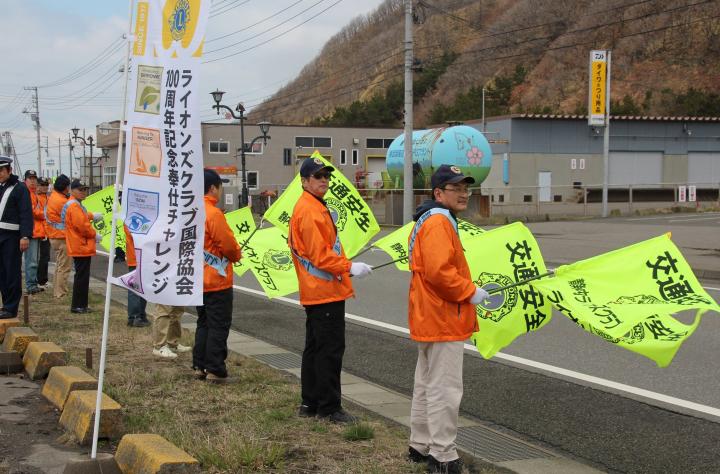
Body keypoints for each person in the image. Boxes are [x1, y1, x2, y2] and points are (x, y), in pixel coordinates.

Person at [406, 164, 489, 473]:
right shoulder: (440, 222)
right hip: (444, 315)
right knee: (445, 388)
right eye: (456, 188)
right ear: (438, 192)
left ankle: (420, 444)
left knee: (426, 384)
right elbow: (441, 272)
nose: (464, 193)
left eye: (466, 188)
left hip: (429, 314)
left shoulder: (426, 218)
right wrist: (469, 292)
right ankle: (443, 455)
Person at [288, 157, 373, 423]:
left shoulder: (310, 206)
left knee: (315, 348)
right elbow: (320, 256)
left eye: (326, 176)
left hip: (318, 290)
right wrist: (349, 267)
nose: (324, 180)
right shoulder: (311, 211)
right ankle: (329, 407)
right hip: (325, 290)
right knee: (329, 350)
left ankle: (310, 402)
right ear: (304, 181)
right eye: (317, 176)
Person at [192, 169, 241, 382]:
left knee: (203, 323)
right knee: (218, 325)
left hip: (196, 278)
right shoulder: (212, 213)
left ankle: (199, 365)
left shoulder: (190, 211)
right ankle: (215, 369)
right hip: (216, 279)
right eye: (219, 187)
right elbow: (228, 245)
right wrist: (237, 255)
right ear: (213, 188)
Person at [0, 156, 33, 319]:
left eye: (1, 170)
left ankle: (11, 307)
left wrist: (25, 236)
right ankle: (5, 304)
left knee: (11, 271)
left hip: (12, 237)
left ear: (9, 170)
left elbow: (26, 213)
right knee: (2, 272)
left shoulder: (19, 188)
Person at [64, 179, 100, 313]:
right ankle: (78, 305)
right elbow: (82, 226)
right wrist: (94, 234)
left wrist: (91, 216)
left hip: (80, 245)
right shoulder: (74, 206)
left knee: (82, 276)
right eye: (81, 189)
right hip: (81, 245)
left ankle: (81, 304)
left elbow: (83, 218)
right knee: (81, 277)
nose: (84, 192)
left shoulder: (76, 204)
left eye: (85, 189)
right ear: (72, 190)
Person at [45, 174, 73, 299]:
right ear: (65, 187)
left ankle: (57, 291)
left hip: (54, 235)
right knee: (64, 267)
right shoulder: (62, 201)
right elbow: (74, 214)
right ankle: (61, 293)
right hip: (62, 236)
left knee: (59, 265)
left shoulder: (52, 197)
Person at [123, 224, 150, 328]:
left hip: (140, 257)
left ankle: (140, 315)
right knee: (135, 288)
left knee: (142, 288)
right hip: (137, 257)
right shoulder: (131, 218)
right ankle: (135, 317)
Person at [24, 170, 44, 295]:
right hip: (30, 231)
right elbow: (33, 212)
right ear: (25, 180)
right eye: (30, 178)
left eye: (34, 178)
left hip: (35, 231)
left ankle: (33, 283)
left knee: (34, 260)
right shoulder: (27, 194)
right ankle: (31, 285)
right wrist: (44, 214)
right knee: (31, 260)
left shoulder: (33, 193)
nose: (33, 181)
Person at [36, 178, 51, 288]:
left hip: (47, 230)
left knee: (45, 256)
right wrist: (47, 214)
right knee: (41, 257)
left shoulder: (48, 197)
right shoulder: (36, 198)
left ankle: (43, 280)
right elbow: (36, 213)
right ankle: (40, 280)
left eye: (46, 184)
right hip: (39, 231)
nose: (45, 187)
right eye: (42, 184)